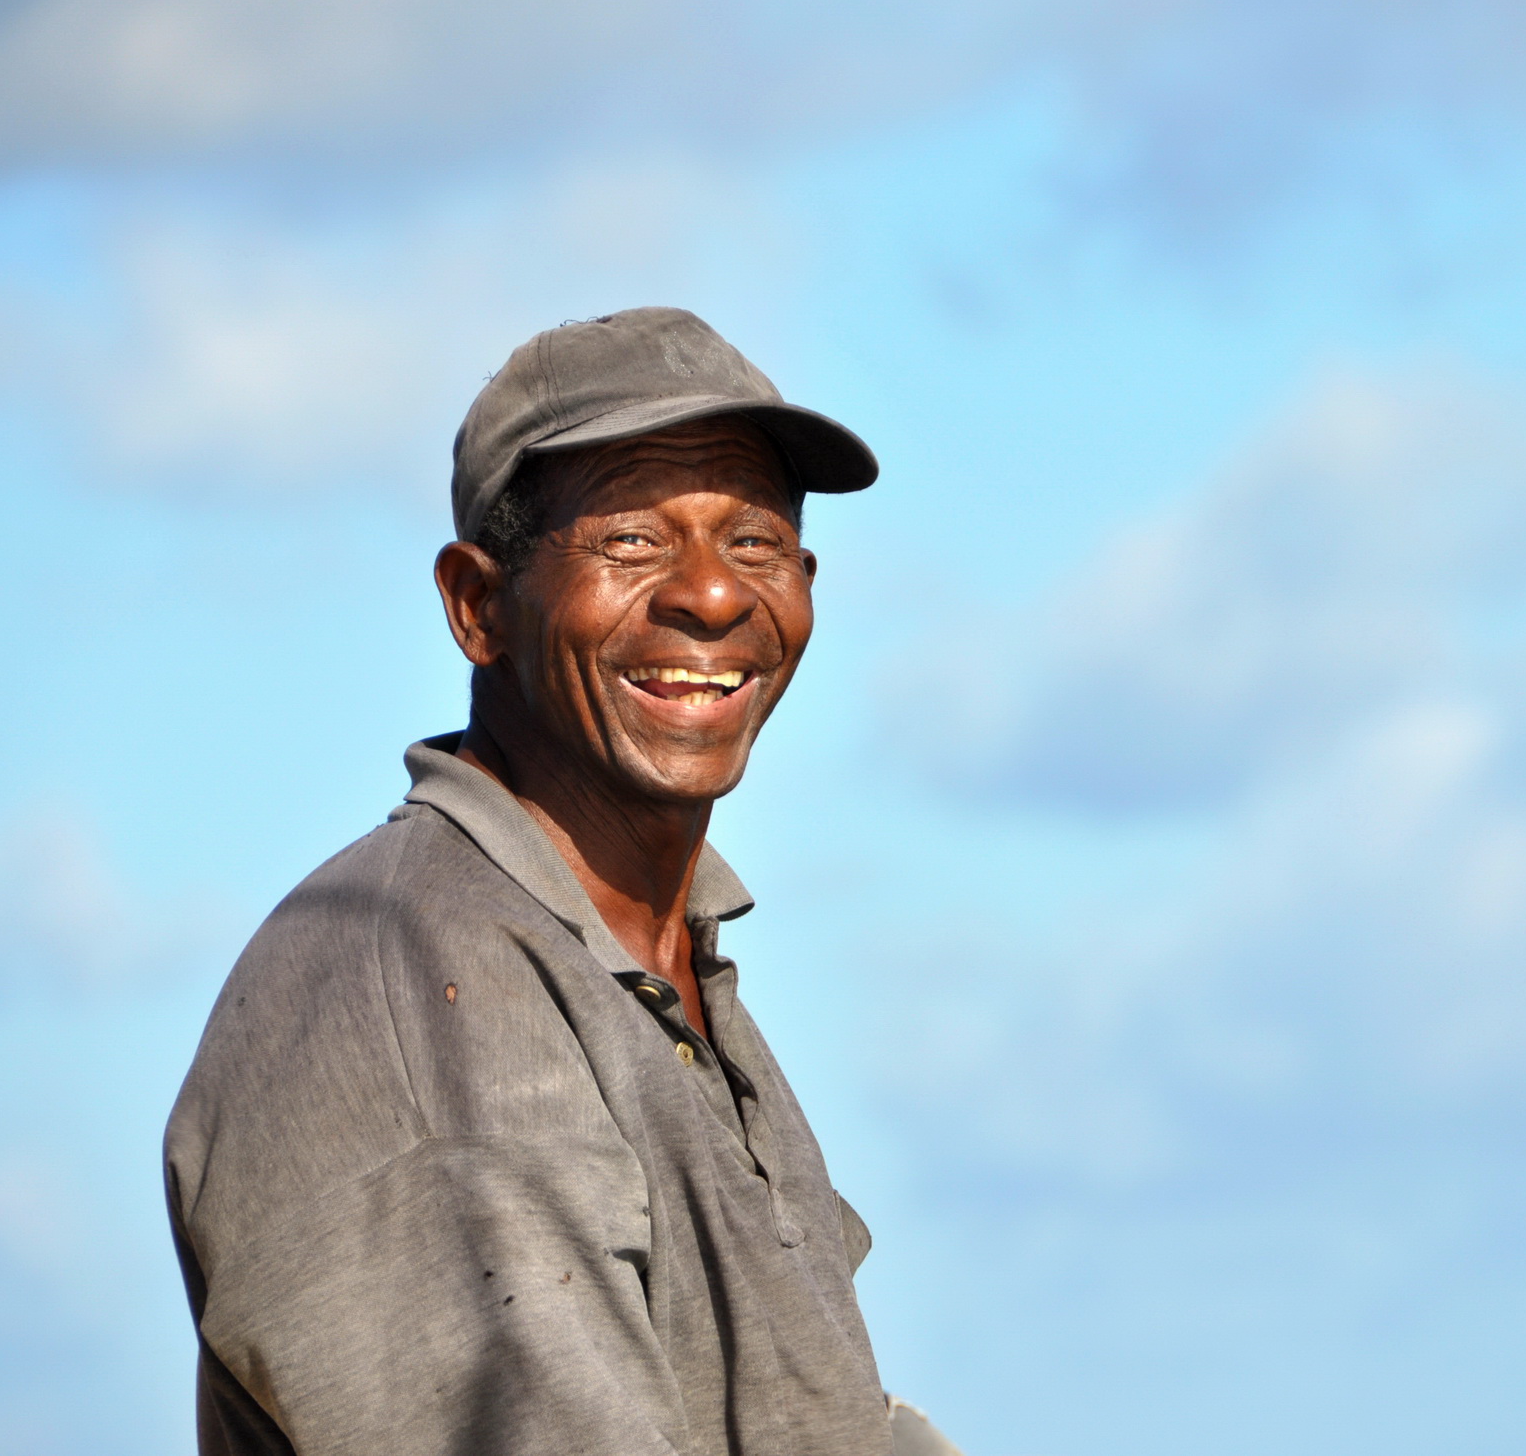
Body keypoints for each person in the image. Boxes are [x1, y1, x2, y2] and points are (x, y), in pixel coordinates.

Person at [163, 308, 962, 1455]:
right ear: (477, 605)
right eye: (632, 542)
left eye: (753, 543)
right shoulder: (415, 981)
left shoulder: (657, 966)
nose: (714, 596)